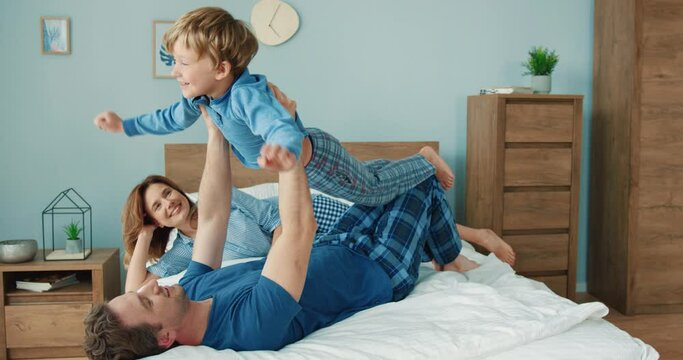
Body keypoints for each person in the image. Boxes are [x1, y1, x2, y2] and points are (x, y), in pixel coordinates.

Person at [83, 105, 510, 359]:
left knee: (380, 174)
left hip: (338, 243)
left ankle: (448, 252)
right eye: (145, 299)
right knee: (420, 180)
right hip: (377, 270)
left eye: (142, 289)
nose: (154, 285)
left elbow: (213, 215)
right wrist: (287, 153)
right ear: (165, 338)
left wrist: (213, 129)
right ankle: (448, 244)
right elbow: (298, 230)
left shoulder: (191, 290)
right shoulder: (246, 328)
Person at [92, 6, 455, 207]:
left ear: (220, 69)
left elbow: (276, 123)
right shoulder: (202, 97)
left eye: (183, 64)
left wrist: (282, 148)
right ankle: (405, 165)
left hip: (316, 159)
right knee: (363, 176)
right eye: (175, 62)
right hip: (306, 162)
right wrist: (126, 125)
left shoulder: (246, 94)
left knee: (371, 192)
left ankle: (424, 160)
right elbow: (167, 119)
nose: (175, 72)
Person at [122, 176, 350, 292]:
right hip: (304, 248)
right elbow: (133, 289)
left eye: (168, 192)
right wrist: (144, 234)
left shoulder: (220, 196)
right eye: (157, 206)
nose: (168, 202)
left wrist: (274, 267)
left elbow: (276, 219)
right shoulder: (184, 251)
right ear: (156, 221)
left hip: (311, 216)